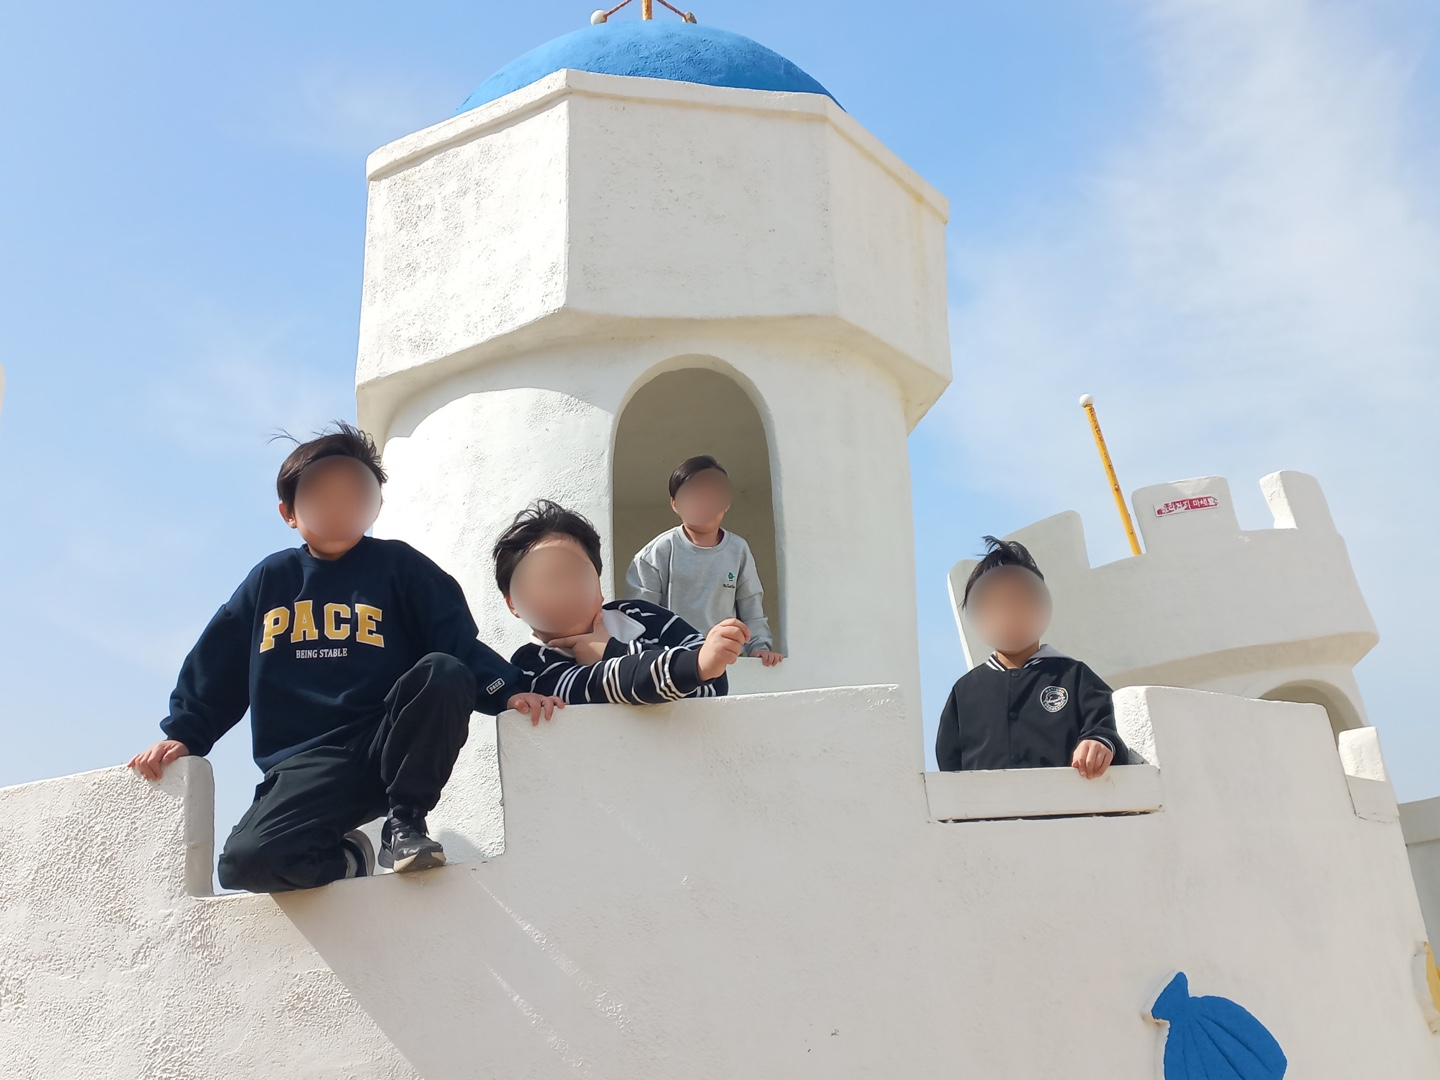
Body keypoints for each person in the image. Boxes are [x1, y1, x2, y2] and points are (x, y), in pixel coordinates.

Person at [128, 423, 563, 892]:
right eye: (321, 495)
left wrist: (508, 691)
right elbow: (219, 664)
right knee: (246, 863)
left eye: (354, 494)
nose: (338, 505)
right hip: (307, 765)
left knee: (443, 671)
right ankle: (352, 857)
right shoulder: (272, 580)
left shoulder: (400, 567)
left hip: (389, 744)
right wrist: (185, 735)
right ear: (288, 512)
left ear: (374, 505)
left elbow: (457, 643)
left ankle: (404, 823)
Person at [494, 500, 746, 703]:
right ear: (514, 603)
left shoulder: (642, 615)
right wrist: (612, 652)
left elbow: (713, 684)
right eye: (548, 580)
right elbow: (602, 687)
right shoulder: (530, 666)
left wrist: (610, 650)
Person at [935, 536, 1127, 777]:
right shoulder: (964, 691)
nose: (1009, 614)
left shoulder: (1074, 676)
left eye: (1020, 602)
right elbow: (949, 765)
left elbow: (1109, 725)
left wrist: (1099, 743)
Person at [625, 455, 784, 666]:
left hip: (730, 664)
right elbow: (641, 619)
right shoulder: (655, 554)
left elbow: (751, 608)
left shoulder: (738, 550)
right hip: (677, 666)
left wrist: (760, 647)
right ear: (675, 504)